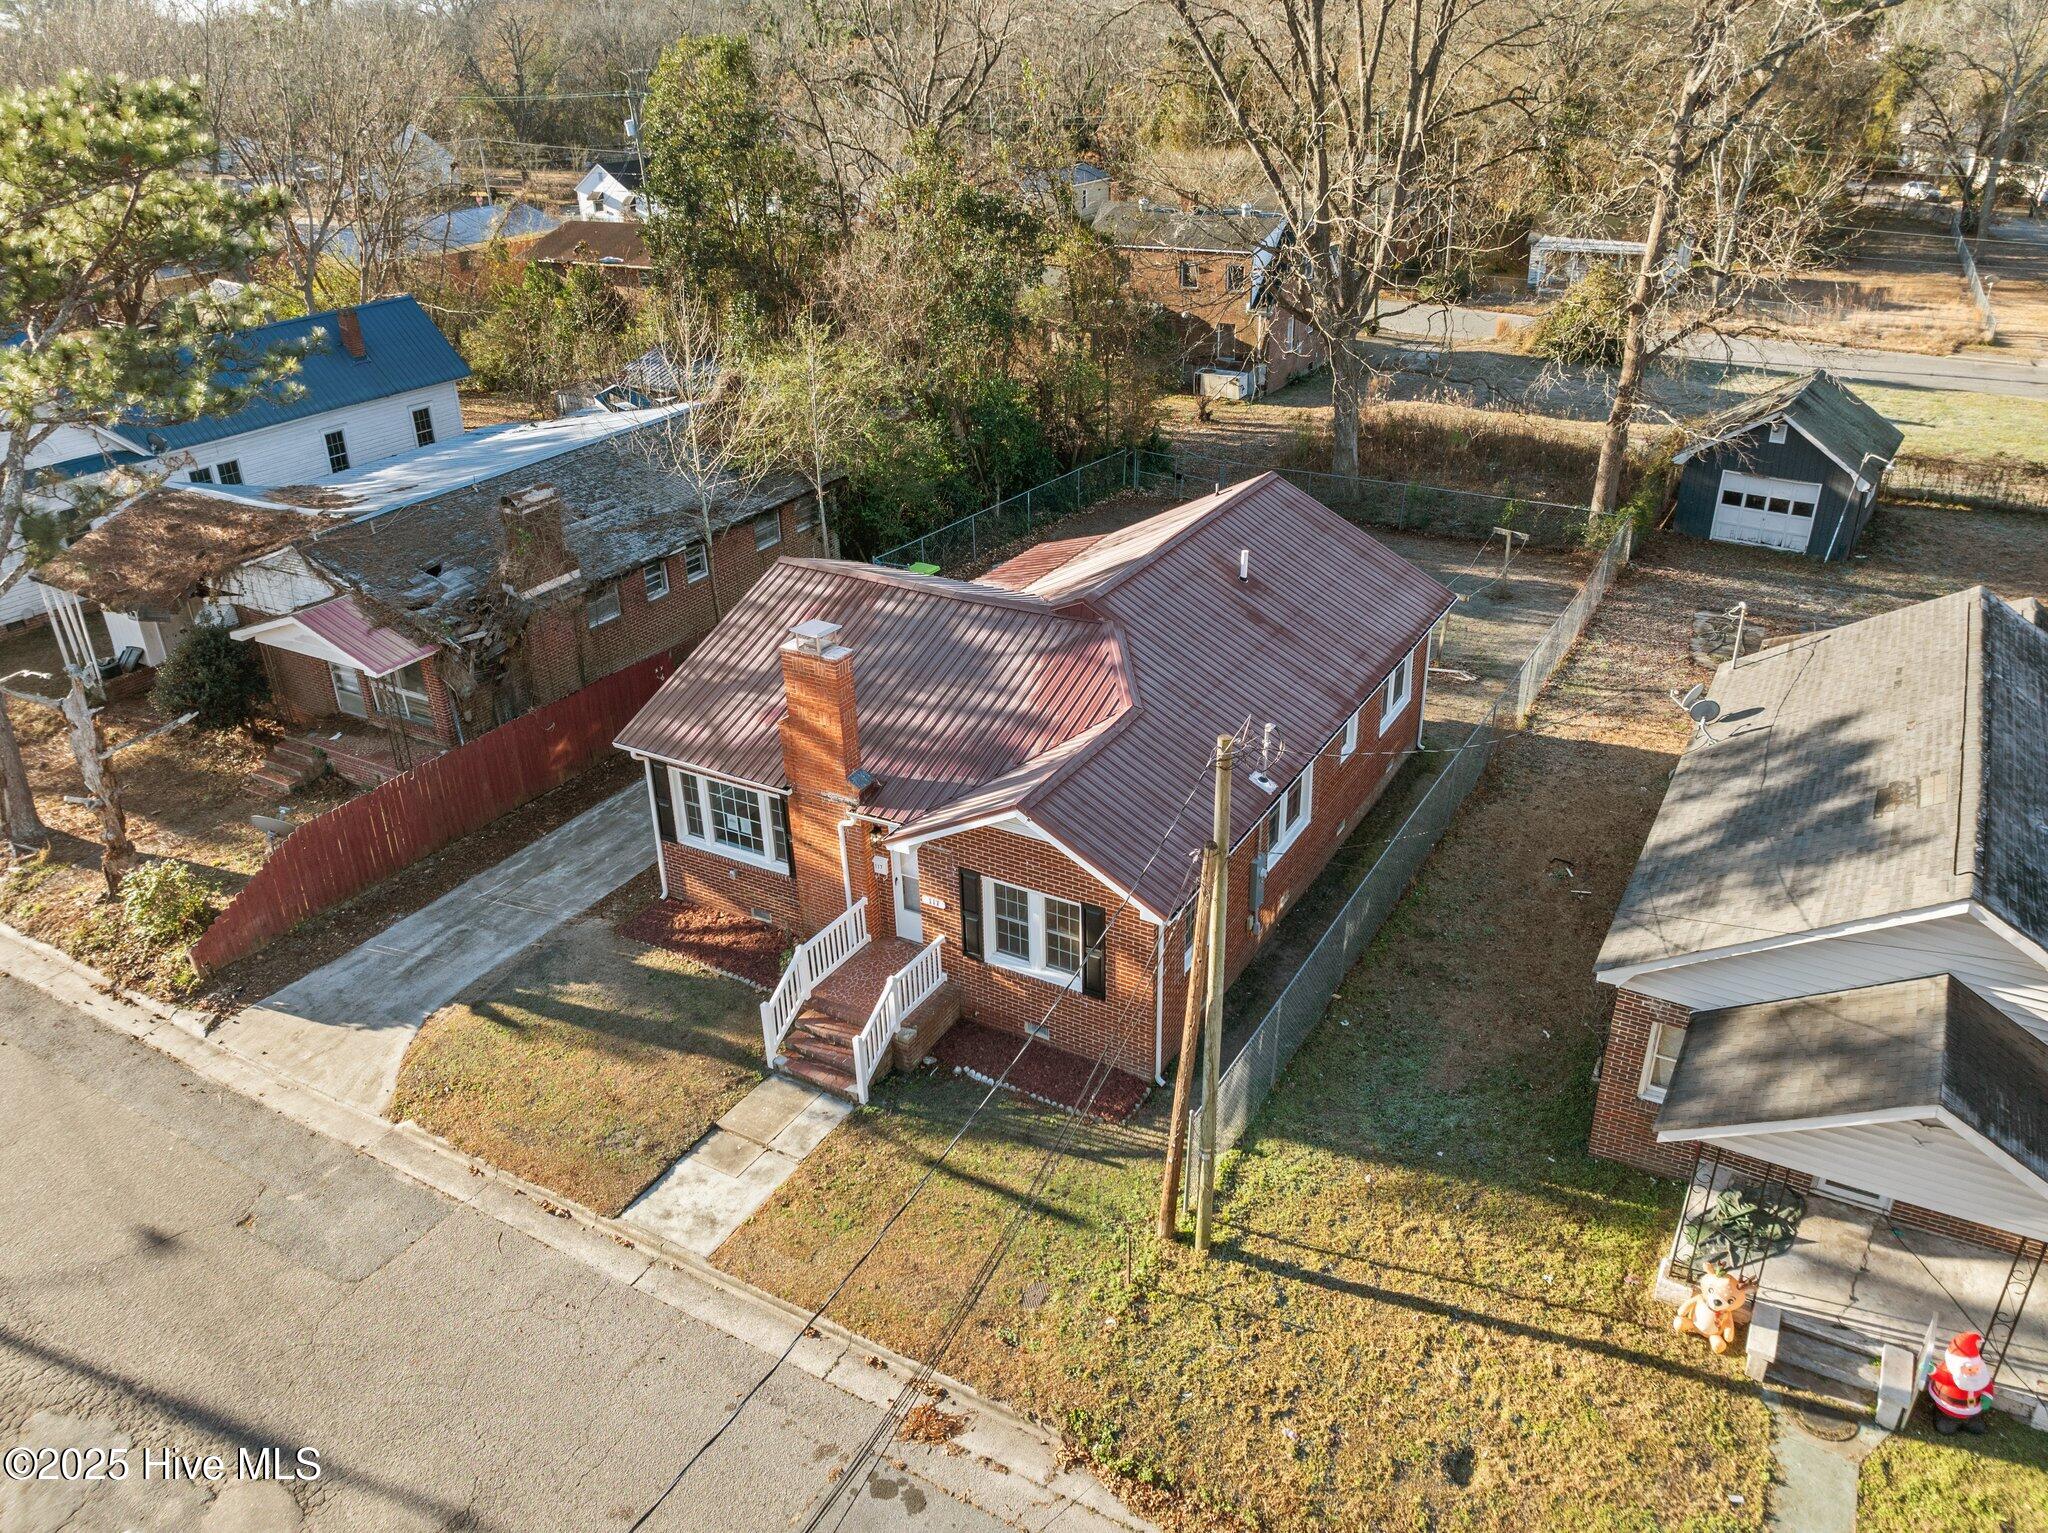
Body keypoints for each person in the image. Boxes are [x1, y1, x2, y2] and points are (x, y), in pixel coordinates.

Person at [1927, 1330, 1995, 1434]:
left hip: (1973, 1412)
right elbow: (1942, 1377)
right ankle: (1944, 1418)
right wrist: (1932, 1370)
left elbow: (1987, 1385)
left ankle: (1969, 1421)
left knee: (1978, 1428)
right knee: (1946, 1429)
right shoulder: (1952, 1375)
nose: (1973, 1373)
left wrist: (1987, 1396)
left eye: (1976, 1368)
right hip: (1948, 1411)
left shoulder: (1981, 1376)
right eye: (1969, 1369)